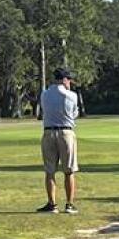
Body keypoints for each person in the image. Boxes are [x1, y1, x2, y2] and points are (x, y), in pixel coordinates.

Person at [36, 67, 82, 214]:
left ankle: (52, 203)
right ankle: (69, 204)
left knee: (50, 171)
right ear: (64, 80)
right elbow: (74, 114)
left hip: (48, 132)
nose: (70, 82)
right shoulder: (72, 96)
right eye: (69, 79)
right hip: (66, 132)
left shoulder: (44, 94)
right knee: (69, 170)